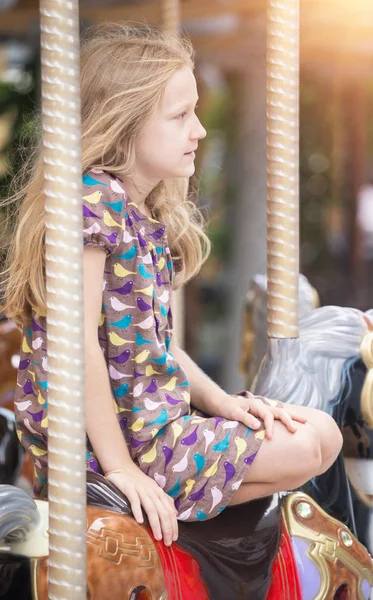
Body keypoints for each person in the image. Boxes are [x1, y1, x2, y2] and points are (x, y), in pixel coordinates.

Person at [1, 23, 343, 547]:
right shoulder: (95, 201)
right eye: (181, 116)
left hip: (156, 425)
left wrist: (222, 400)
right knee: (307, 443)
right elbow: (77, 347)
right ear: (124, 124)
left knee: (321, 435)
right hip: (126, 442)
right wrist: (121, 469)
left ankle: (193, 533)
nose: (199, 130)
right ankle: (148, 498)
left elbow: (156, 346)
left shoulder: (139, 209)